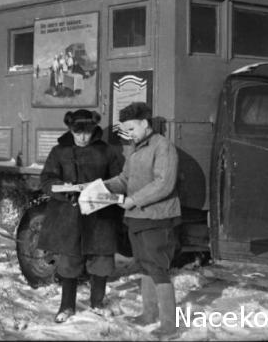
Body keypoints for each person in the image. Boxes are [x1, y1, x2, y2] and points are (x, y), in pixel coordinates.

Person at [38, 109, 124, 323]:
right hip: (69, 215)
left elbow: (119, 180)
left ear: (94, 130)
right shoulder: (59, 151)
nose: (83, 138)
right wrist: (63, 188)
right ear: (71, 130)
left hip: (100, 215)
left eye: (87, 133)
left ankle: (97, 302)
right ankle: (66, 306)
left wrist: (103, 190)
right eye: (78, 133)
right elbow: (47, 179)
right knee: (68, 262)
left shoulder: (107, 152)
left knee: (101, 260)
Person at [103, 102, 181, 337]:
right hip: (137, 217)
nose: (128, 134)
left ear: (145, 124)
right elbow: (124, 179)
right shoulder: (136, 148)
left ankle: (169, 326)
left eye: (131, 128)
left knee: (158, 268)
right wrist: (100, 188)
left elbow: (163, 183)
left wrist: (133, 199)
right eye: (125, 129)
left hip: (157, 217)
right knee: (145, 266)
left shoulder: (163, 147)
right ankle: (149, 314)